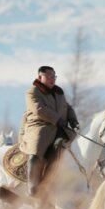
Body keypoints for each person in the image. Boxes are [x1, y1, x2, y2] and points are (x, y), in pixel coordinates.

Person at [19, 66, 79, 196]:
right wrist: (58, 119)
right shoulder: (32, 92)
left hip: (59, 128)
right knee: (36, 151)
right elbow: (39, 109)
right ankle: (33, 186)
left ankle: (51, 179)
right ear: (40, 77)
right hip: (40, 127)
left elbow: (67, 107)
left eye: (54, 76)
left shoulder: (58, 92)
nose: (53, 79)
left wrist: (73, 120)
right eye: (49, 76)